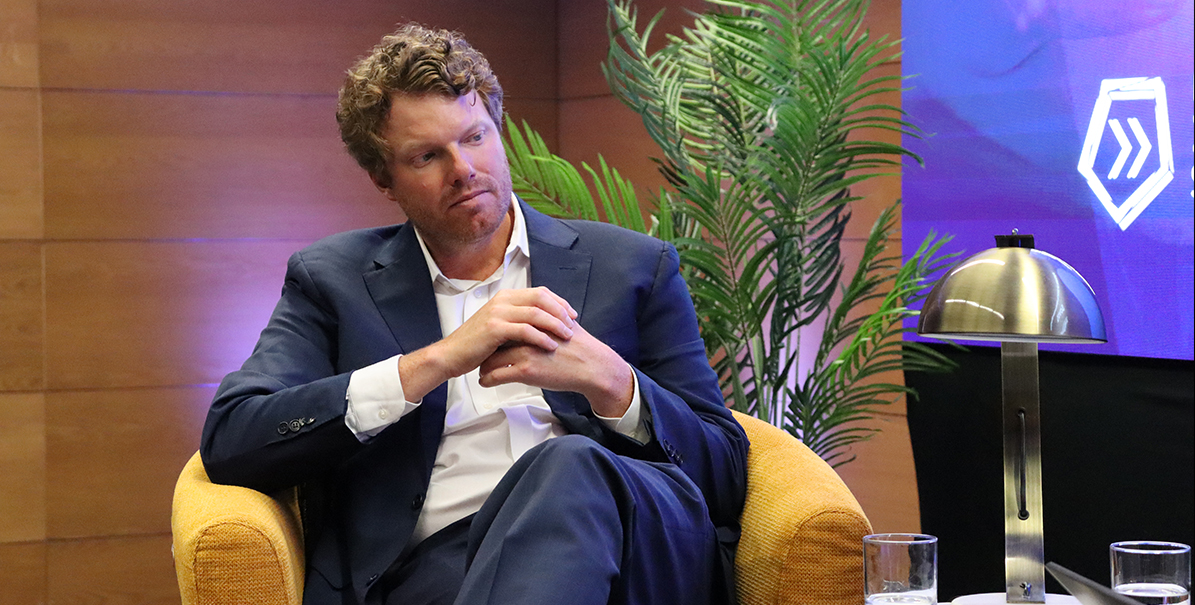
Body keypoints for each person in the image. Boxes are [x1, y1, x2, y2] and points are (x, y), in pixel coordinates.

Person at [201, 22, 748, 605]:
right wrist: (432, 363)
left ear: (498, 129)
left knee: (570, 463)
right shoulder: (333, 282)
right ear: (384, 179)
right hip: (442, 569)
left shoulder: (633, 266)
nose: (462, 168)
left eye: (475, 136)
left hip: (632, 546)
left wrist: (614, 384)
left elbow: (725, 474)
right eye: (427, 156)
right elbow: (235, 438)